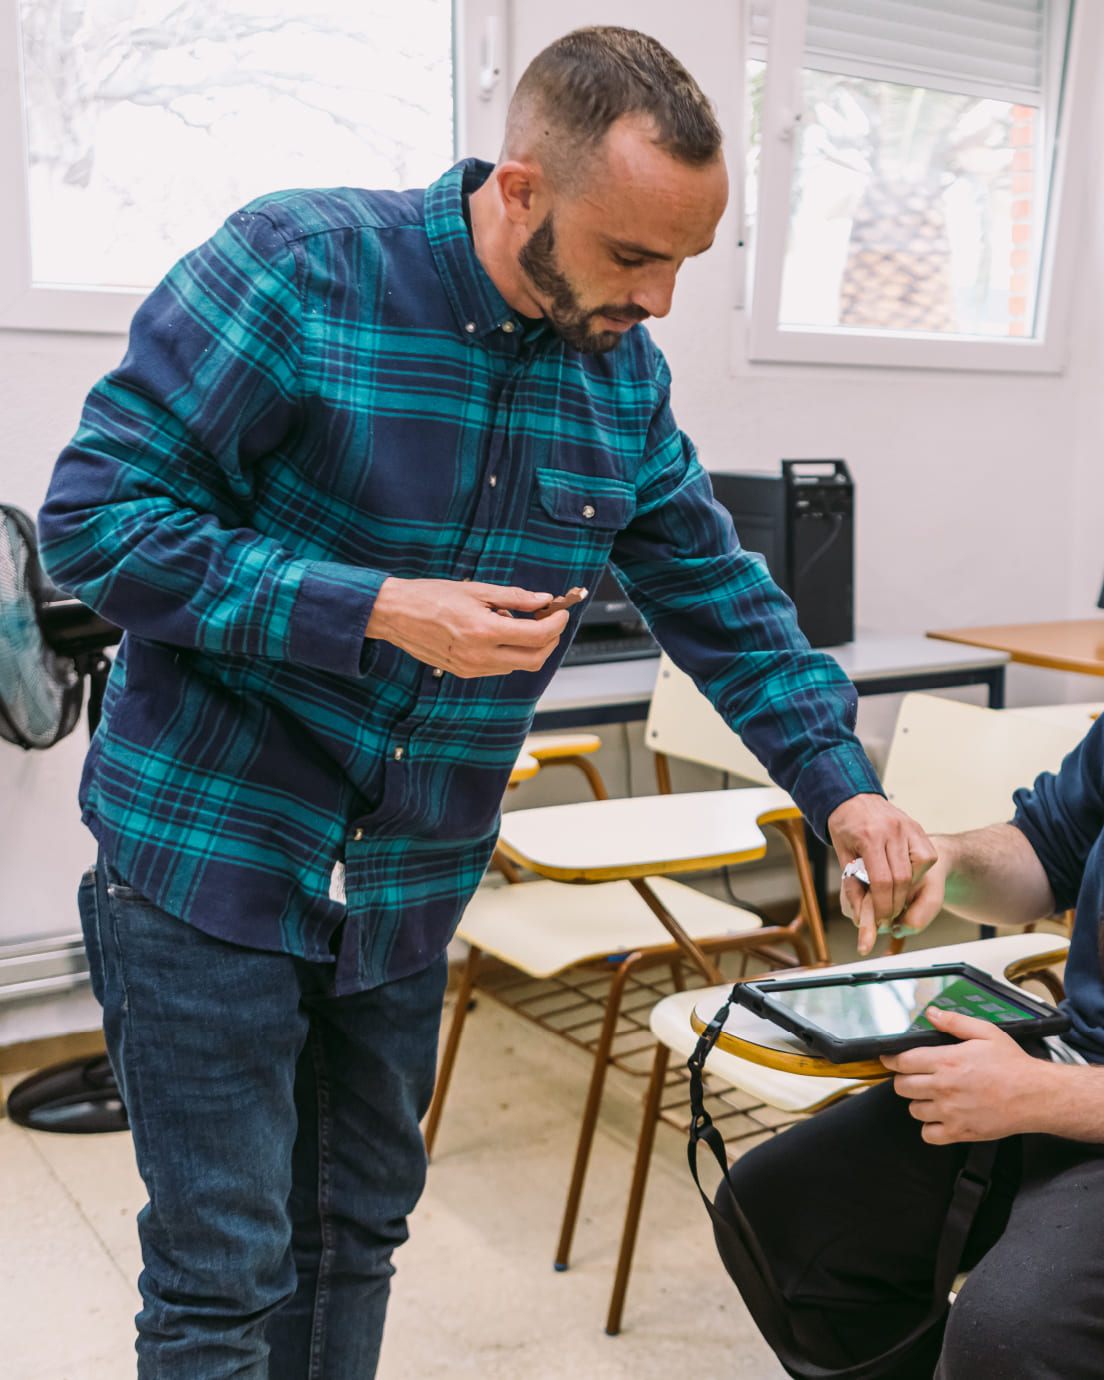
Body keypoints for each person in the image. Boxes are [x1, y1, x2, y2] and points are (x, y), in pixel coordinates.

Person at [38, 25, 933, 1380]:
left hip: (402, 888)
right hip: (209, 854)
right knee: (224, 1269)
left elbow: (719, 594)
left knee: (355, 1233)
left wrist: (844, 783)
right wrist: (378, 607)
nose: (662, 300)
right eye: (633, 257)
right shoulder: (298, 272)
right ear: (521, 191)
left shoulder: (621, 381)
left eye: (685, 262)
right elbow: (95, 528)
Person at [721, 717, 1104, 1380]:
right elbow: (1045, 852)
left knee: (1013, 1336)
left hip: (1074, 1093)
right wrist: (945, 861)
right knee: (779, 1209)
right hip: (1073, 1058)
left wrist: (1047, 1097)